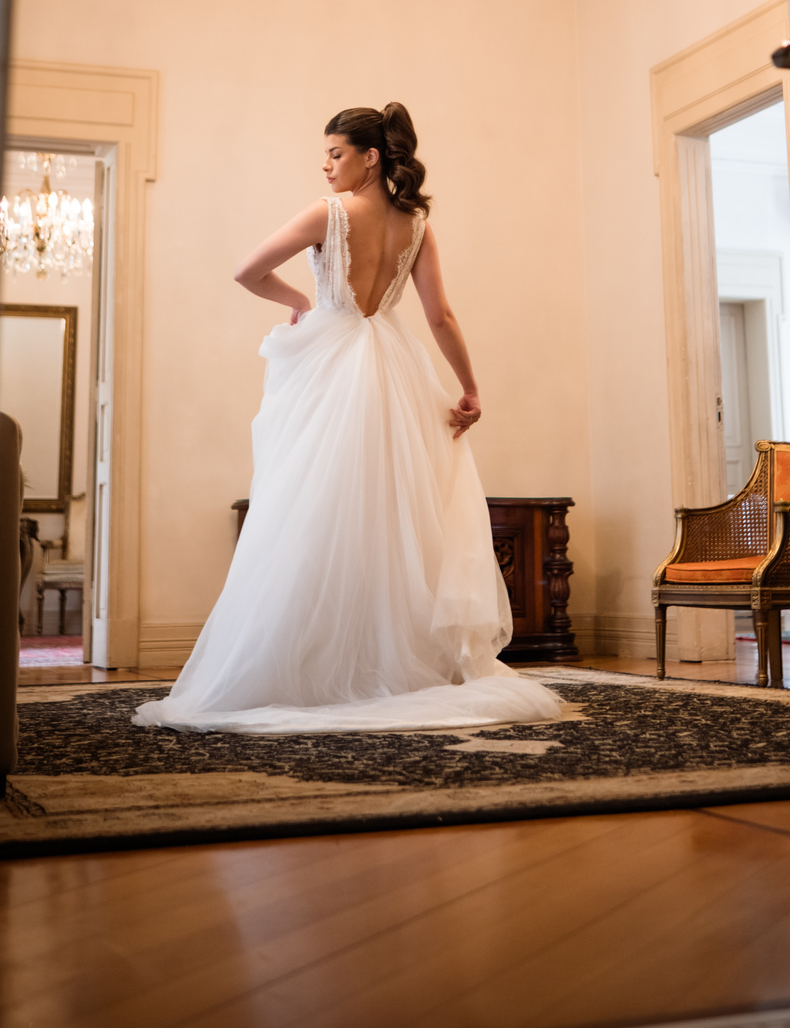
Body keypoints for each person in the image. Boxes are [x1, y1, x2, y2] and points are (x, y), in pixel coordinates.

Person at [134, 103, 561, 735]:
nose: (326, 164)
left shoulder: (326, 215)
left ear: (370, 157)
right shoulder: (416, 224)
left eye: (335, 153)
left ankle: (314, 664)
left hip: (333, 365)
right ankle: (397, 662)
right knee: (395, 519)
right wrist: (469, 388)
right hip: (395, 368)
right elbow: (441, 317)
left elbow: (246, 270)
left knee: (312, 510)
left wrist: (300, 300)